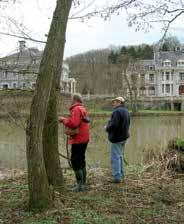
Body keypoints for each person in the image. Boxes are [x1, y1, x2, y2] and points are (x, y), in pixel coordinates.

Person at [59, 93, 90, 192]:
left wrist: (63, 120)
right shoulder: (82, 108)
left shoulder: (76, 109)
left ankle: (79, 185)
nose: (70, 100)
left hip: (78, 139)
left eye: (71, 99)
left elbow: (73, 124)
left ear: (75, 100)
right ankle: (83, 184)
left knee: (75, 161)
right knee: (81, 160)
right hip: (84, 137)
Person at [105, 97, 130, 183]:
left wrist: (107, 128)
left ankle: (117, 177)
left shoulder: (117, 111)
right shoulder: (126, 111)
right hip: (124, 137)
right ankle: (121, 175)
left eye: (115, 102)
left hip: (117, 138)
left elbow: (114, 125)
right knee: (120, 156)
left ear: (120, 102)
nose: (113, 103)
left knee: (115, 157)